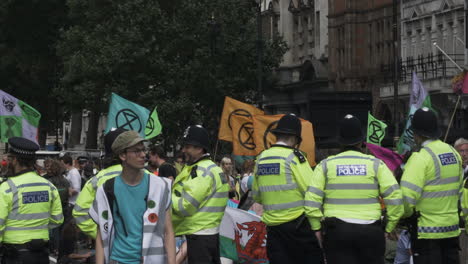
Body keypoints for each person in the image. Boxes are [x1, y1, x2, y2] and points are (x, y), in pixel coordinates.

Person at [305, 114, 404, 264]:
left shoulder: (325, 165)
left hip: (337, 234)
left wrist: (317, 230)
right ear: (361, 141)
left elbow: (311, 202)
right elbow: (396, 200)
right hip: (371, 232)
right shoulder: (376, 165)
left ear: (340, 141)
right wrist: (387, 229)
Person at [90, 130, 175, 264]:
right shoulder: (106, 189)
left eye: (143, 150)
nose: (143, 155)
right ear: (123, 155)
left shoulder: (160, 186)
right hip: (118, 260)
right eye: (137, 151)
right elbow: (101, 236)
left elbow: (168, 231)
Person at [252, 114, 323, 264]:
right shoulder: (294, 157)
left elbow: (257, 196)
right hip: (298, 228)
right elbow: (312, 191)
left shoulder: (261, 158)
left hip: (273, 231)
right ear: (295, 138)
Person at [400, 107, 463, 264]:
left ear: (416, 134)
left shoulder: (420, 158)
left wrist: (404, 216)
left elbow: (407, 198)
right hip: (451, 230)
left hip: (427, 234)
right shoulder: (453, 153)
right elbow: (460, 190)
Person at [0, 137, 63, 264]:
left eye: (10, 159)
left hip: (15, 254)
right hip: (41, 253)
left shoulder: (7, 188)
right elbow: (58, 219)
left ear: (15, 160)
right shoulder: (49, 186)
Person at [172, 125, 229, 264]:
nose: (183, 150)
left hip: (199, 236)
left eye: (187, 146)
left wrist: (166, 197)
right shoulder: (210, 168)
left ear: (199, 148)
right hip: (208, 234)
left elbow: (185, 206)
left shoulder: (201, 171)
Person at [72, 128, 127, 239]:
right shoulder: (147, 176)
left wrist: (102, 235)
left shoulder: (97, 180)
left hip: (109, 246)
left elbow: (80, 213)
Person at [47, 159, 71, 255]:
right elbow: (69, 193)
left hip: (54, 208)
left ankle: (55, 248)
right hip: (65, 206)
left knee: (55, 229)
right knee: (63, 229)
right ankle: (62, 248)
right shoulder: (65, 181)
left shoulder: (49, 181)